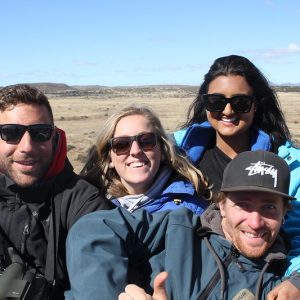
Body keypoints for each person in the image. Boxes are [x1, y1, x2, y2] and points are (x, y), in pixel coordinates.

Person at [66, 150, 300, 300]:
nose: (255, 222)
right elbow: (92, 230)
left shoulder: (278, 288)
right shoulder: (179, 227)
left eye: (269, 207)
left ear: (284, 212)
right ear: (222, 205)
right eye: (242, 204)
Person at [173, 55, 300, 273]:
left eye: (241, 103)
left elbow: (298, 233)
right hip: (190, 277)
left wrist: (296, 277)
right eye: (216, 101)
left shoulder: (286, 164)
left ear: (256, 106)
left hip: (264, 279)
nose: (228, 111)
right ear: (204, 104)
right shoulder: (176, 155)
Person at [0, 84, 111, 299]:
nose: (27, 147)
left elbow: (97, 276)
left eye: (40, 133)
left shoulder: (83, 203)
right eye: (10, 133)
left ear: (54, 137)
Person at [80, 105, 211, 214]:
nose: (135, 151)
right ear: (109, 159)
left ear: (162, 151)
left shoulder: (191, 211)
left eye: (146, 141)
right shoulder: (91, 208)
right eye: (121, 144)